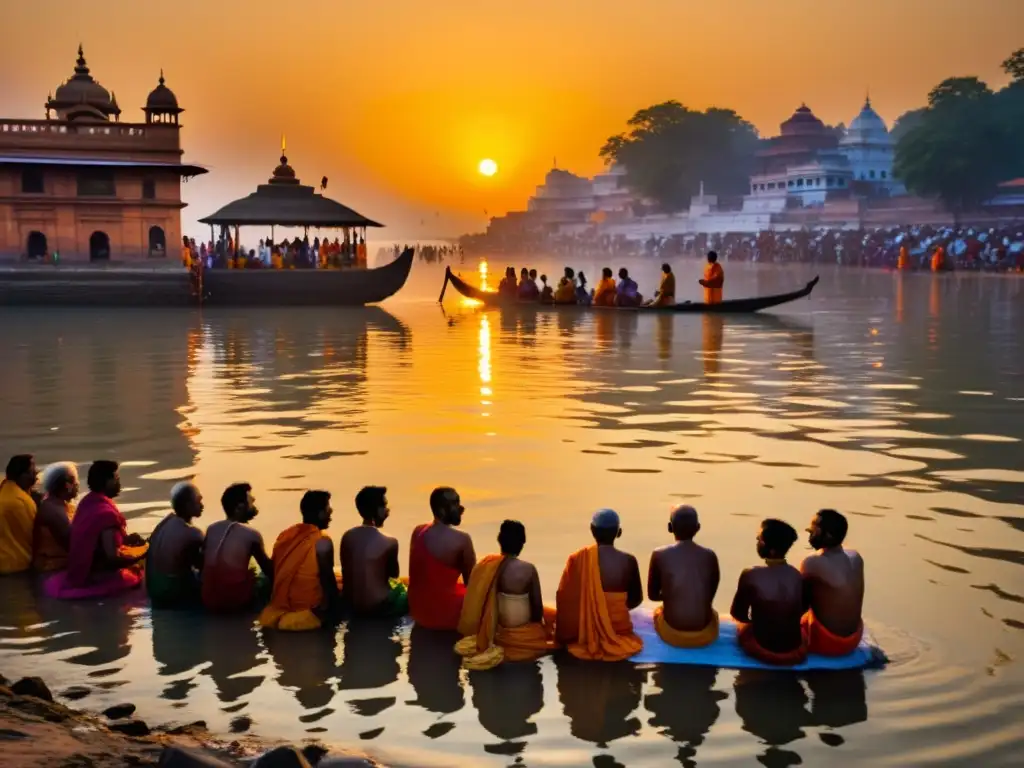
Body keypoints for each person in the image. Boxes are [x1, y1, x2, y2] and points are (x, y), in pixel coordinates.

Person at [455, 520, 558, 670]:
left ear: (499, 540)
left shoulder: (485, 565)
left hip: (495, 633)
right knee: (552, 626)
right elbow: (537, 611)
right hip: (523, 636)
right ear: (523, 542)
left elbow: (478, 603)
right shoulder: (527, 569)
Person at [44, 461, 147, 599]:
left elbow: (95, 539)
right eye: (116, 479)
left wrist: (126, 540)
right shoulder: (106, 514)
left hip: (81, 573)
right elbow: (112, 558)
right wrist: (143, 555)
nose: (119, 483)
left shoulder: (87, 502)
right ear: (107, 482)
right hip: (99, 580)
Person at [556, 509, 643, 661]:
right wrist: (609, 611)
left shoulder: (577, 559)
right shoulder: (628, 561)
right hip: (618, 629)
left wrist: (593, 612)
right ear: (619, 532)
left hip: (584, 631)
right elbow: (636, 599)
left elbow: (565, 601)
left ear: (592, 530)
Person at [260, 490, 341, 631]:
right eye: (328, 508)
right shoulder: (322, 541)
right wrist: (338, 615)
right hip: (307, 615)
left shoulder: (285, 535)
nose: (331, 512)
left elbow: (276, 571)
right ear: (321, 513)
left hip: (273, 614)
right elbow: (328, 581)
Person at [730, 519, 807, 666]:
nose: (757, 541)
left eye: (759, 539)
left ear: (769, 548)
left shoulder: (751, 575)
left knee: (742, 628)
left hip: (764, 651)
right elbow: (802, 609)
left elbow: (738, 614)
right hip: (796, 653)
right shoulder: (797, 575)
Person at [647, 505, 720, 648]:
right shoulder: (710, 556)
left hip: (671, 635)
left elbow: (653, 596)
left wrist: (673, 594)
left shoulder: (659, 554)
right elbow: (709, 595)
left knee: (658, 612)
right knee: (714, 614)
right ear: (698, 527)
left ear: (670, 527)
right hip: (705, 635)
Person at [408, 487, 476, 631]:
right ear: (441, 510)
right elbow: (473, 586)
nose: (461, 508)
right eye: (455, 504)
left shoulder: (418, 530)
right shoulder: (462, 539)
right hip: (445, 616)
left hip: (418, 613)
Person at [201, 483, 273, 613]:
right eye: (251, 501)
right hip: (236, 604)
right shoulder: (252, 535)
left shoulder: (211, 529)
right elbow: (270, 571)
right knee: (265, 578)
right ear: (240, 507)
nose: (254, 503)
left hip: (209, 601)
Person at [800, 510, 865, 656]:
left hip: (828, 643)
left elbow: (798, 607)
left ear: (827, 535)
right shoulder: (856, 557)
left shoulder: (812, 562)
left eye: (813, 530)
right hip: (855, 638)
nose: (809, 533)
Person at [341, 486, 407, 617]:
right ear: (377, 510)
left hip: (351, 605)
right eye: (385, 506)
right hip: (379, 608)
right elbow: (393, 575)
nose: (388, 510)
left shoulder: (347, 536)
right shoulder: (390, 541)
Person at [146, 482, 205, 608]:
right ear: (188, 505)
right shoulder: (192, 533)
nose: (202, 505)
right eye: (198, 501)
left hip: (153, 591)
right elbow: (207, 565)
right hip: (171, 596)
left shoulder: (164, 523)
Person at [33, 461, 78, 572]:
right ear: (68, 485)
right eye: (76, 482)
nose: (77, 485)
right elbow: (73, 544)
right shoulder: (53, 510)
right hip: (52, 569)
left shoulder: (60, 504)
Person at [0, 455, 39, 575]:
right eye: (32, 472)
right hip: (17, 566)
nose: (36, 475)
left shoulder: (4, 490)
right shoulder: (21, 501)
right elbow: (35, 535)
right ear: (22, 476)